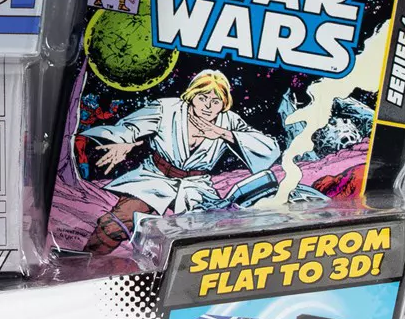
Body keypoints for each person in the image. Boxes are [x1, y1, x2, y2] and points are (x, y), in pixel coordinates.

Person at [80, 69, 279, 254]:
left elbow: (270, 148)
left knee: (204, 234)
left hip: (196, 186)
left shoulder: (228, 121)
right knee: (118, 222)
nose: (208, 106)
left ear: (224, 103)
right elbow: (131, 127)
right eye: (202, 98)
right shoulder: (167, 109)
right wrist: (125, 142)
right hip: (155, 176)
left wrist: (223, 133)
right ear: (192, 96)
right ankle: (88, 259)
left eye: (216, 101)